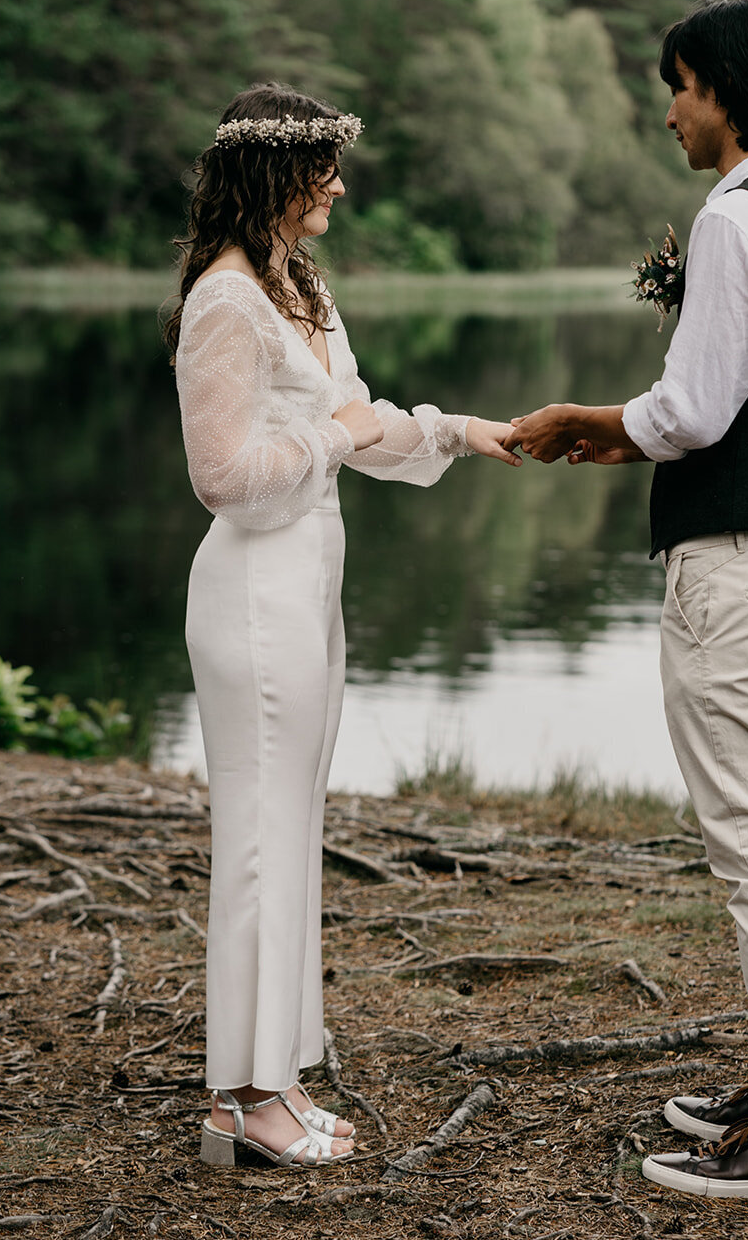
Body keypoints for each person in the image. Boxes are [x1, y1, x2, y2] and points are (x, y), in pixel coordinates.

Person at [508, 0, 748, 1200]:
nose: (667, 111)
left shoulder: (733, 219)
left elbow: (694, 411)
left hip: (730, 569)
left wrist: (592, 424)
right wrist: (643, 439)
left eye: (680, 86)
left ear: (729, 91)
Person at [164, 84, 520, 1171]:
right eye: (324, 166)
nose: (340, 185)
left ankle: (267, 1083)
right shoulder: (226, 301)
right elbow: (222, 476)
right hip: (253, 593)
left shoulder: (296, 287)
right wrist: (332, 436)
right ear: (275, 174)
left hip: (307, 583)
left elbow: (357, 417)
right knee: (260, 844)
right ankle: (244, 1099)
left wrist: (460, 432)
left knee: (290, 833)